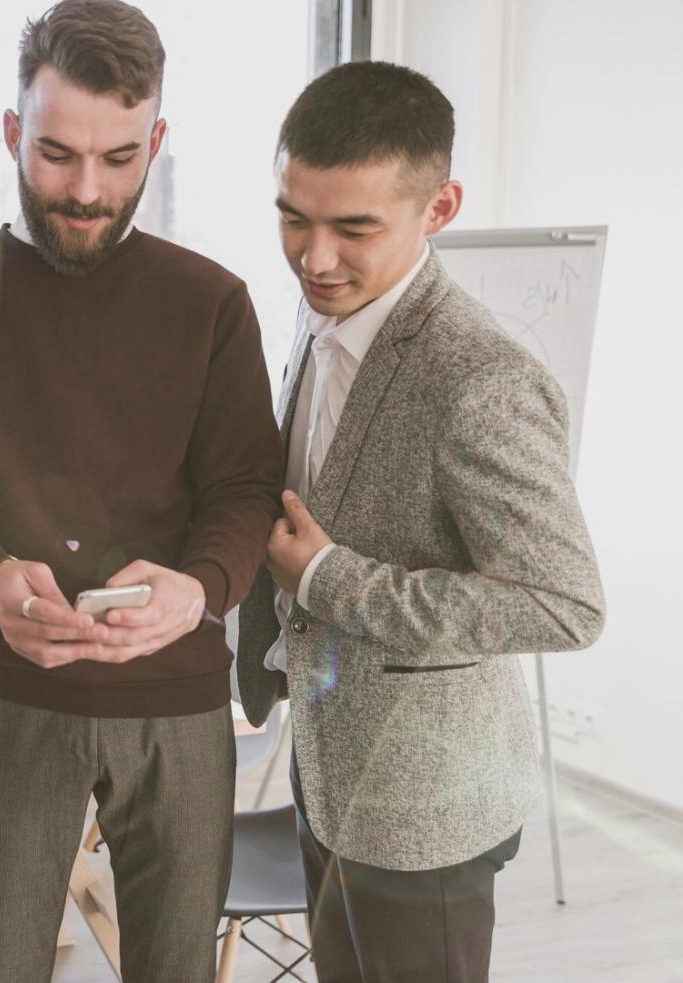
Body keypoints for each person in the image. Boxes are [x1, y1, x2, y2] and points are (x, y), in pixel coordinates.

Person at [0, 2, 285, 978]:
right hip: (9, 691)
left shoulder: (213, 302)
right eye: (57, 154)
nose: (87, 190)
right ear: (12, 131)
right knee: (6, 960)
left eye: (118, 157)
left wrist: (201, 587)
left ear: (157, 141)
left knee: (175, 964)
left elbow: (244, 487)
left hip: (178, 696)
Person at [235, 61, 606, 982]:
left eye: (355, 228)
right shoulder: (319, 310)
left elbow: (564, 604)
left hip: (425, 808)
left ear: (439, 209)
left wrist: (327, 578)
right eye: (293, 218)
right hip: (327, 767)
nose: (315, 258)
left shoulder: (479, 377)